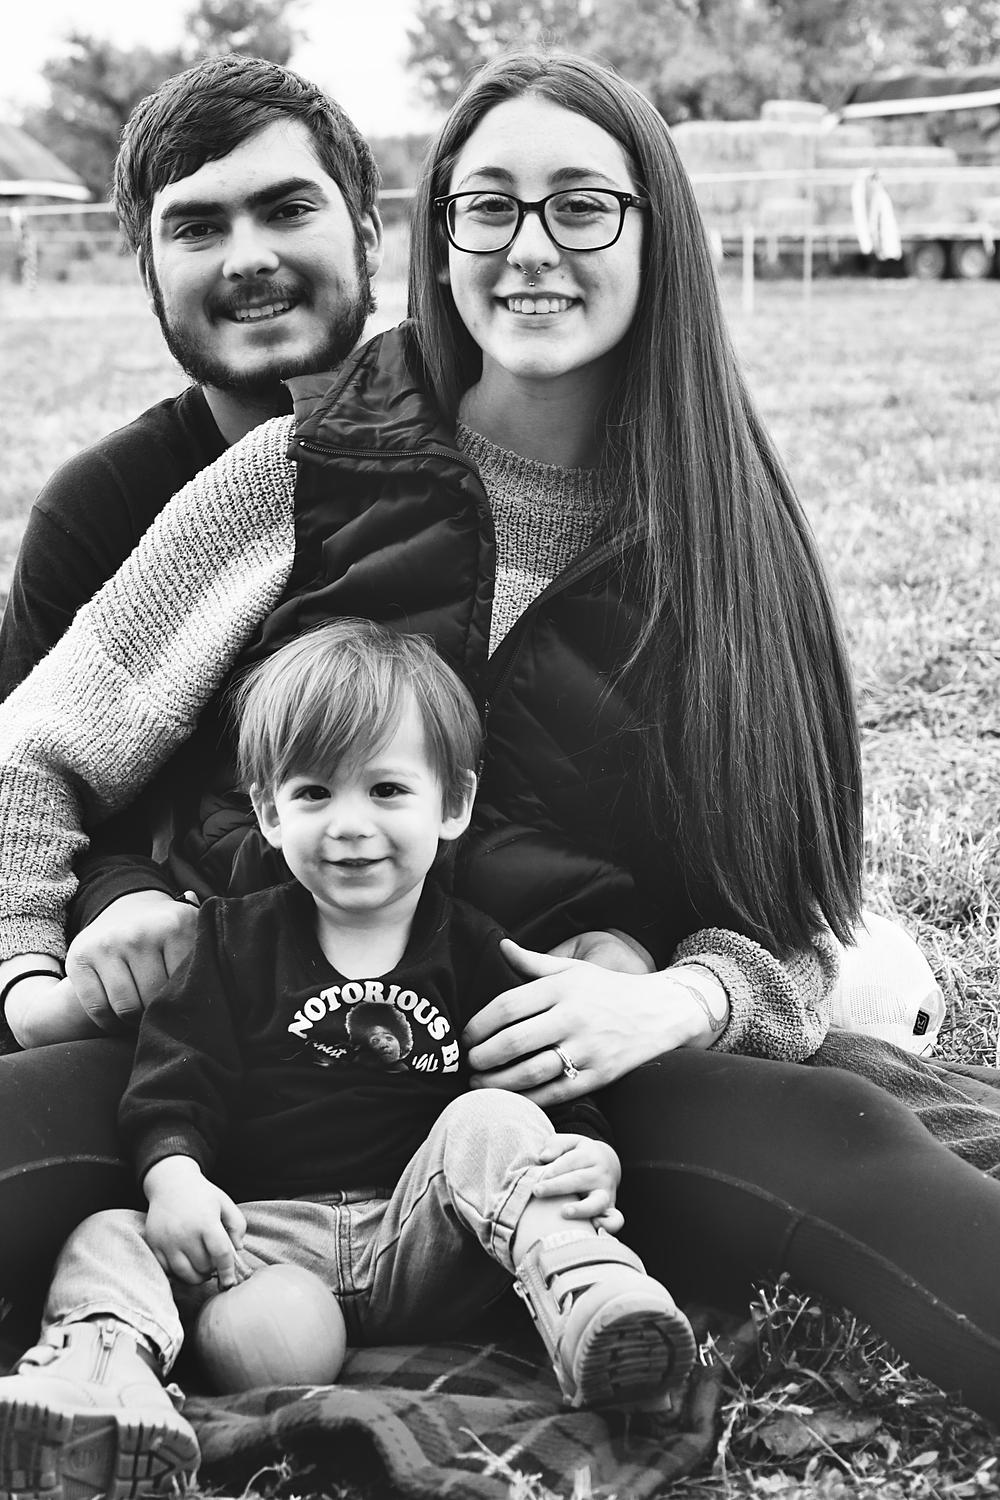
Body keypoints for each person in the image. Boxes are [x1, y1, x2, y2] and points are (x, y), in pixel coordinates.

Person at [0, 48, 999, 1428]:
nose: (531, 248)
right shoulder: (303, 466)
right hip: (230, 1071)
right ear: (438, 235)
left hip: (561, 1105)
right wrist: (27, 967)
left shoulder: (729, 546)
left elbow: (799, 915)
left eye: (581, 205)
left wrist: (675, 1003)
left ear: (657, 233)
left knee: (855, 1139)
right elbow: (39, 746)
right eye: (488, 207)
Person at [0, 619, 695, 1500]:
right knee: (108, 1236)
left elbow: (546, 1074)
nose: (351, 825)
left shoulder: (477, 951)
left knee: (492, 1116)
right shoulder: (229, 944)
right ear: (269, 811)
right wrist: (175, 1181)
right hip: (258, 1243)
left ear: (453, 805)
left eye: (388, 789)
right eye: (315, 793)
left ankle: (591, 1296)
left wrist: (588, 1148)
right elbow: (176, 1081)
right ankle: (99, 1381)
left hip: (424, 1236)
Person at [0, 52, 383, 1020]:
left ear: (370, 234)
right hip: (185, 1015)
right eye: (199, 227)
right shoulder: (97, 509)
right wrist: (118, 901)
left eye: (287, 209)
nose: (246, 257)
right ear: (148, 274)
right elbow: (36, 802)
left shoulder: (471, 462)